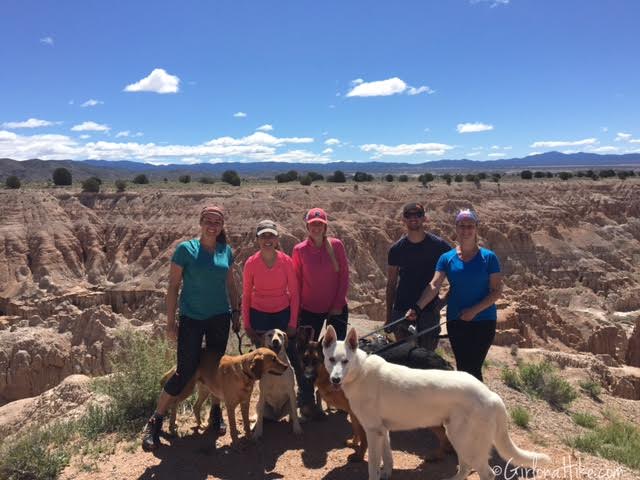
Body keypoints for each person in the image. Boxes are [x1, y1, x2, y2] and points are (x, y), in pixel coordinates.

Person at [142, 205, 240, 452]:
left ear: (222, 226)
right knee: (184, 371)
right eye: (208, 220)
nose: (213, 225)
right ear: (200, 222)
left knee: (216, 369)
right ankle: (156, 419)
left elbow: (231, 285)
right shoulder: (186, 249)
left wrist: (236, 312)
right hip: (192, 319)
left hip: (220, 317)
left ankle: (215, 414)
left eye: (217, 222)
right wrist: (170, 322)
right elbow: (173, 287)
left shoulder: (225, 251)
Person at [407, 209, 503, 382]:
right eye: (462, 226)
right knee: (463, 368)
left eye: (470, 226)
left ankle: (477, 406)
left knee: (473, 367)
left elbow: (496, 291)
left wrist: (474, 310)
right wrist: (417, 307)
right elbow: (434, 285)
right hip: (456, 320)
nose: (466, 230)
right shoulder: (447, 258)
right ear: (456, 229)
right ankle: (468, 406)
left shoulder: (489, 258)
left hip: (483, 321)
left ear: (476, 228)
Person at [292, 207, 349, 420]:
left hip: (336, 308)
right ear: (307, 226)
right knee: (306, 358)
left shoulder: (336, 245)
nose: (316, 227)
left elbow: (344, 276)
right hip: (309, 310)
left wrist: (337, 304)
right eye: (313, 223)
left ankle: (340, 398)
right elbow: (296, 282)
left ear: (325, 226)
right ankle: (307, 401)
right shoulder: (299, 250)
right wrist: (297, 312)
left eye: (320, 224)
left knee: (338, 355)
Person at [386, 202, 451, 351]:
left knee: (426, 359)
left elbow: (458, 275)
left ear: (424, 218)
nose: (413, 218)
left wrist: (443, 301)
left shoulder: (439, 246)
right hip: (402, 310)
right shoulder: (396, 250)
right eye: (409, 215)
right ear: (404, 219)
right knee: (404, 360)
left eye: (418, 215)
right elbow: (391, 284)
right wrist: (389, 316)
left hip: (429, 312)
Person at [242, 219, 299, 357]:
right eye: (263, 236)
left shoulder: (286, 262)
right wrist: (247, 325)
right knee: (262, 357)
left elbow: (294, 293)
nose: (267, 239)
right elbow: (246, 295)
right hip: (259, 315)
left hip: (282, 314)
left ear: (277, 239)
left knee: (285, 356)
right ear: (257, 239)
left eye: (271, 235)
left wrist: (292, 323)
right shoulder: (251, 263)